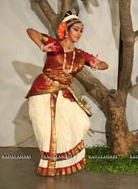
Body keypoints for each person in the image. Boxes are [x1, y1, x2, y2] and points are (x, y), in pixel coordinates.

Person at [25, 9, 108, 176]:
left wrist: (96, 64)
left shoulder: (80, 55)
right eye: (76, 29)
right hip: (43, 91)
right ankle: (49, 167)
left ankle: (64, 162)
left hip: (63, 92)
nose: (79, 33)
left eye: (81, 30)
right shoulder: (54, 45)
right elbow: (30, 31)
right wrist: (42, 45)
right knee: (46, 130)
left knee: (81, 122)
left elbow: (104, 64)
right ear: (66, 29)